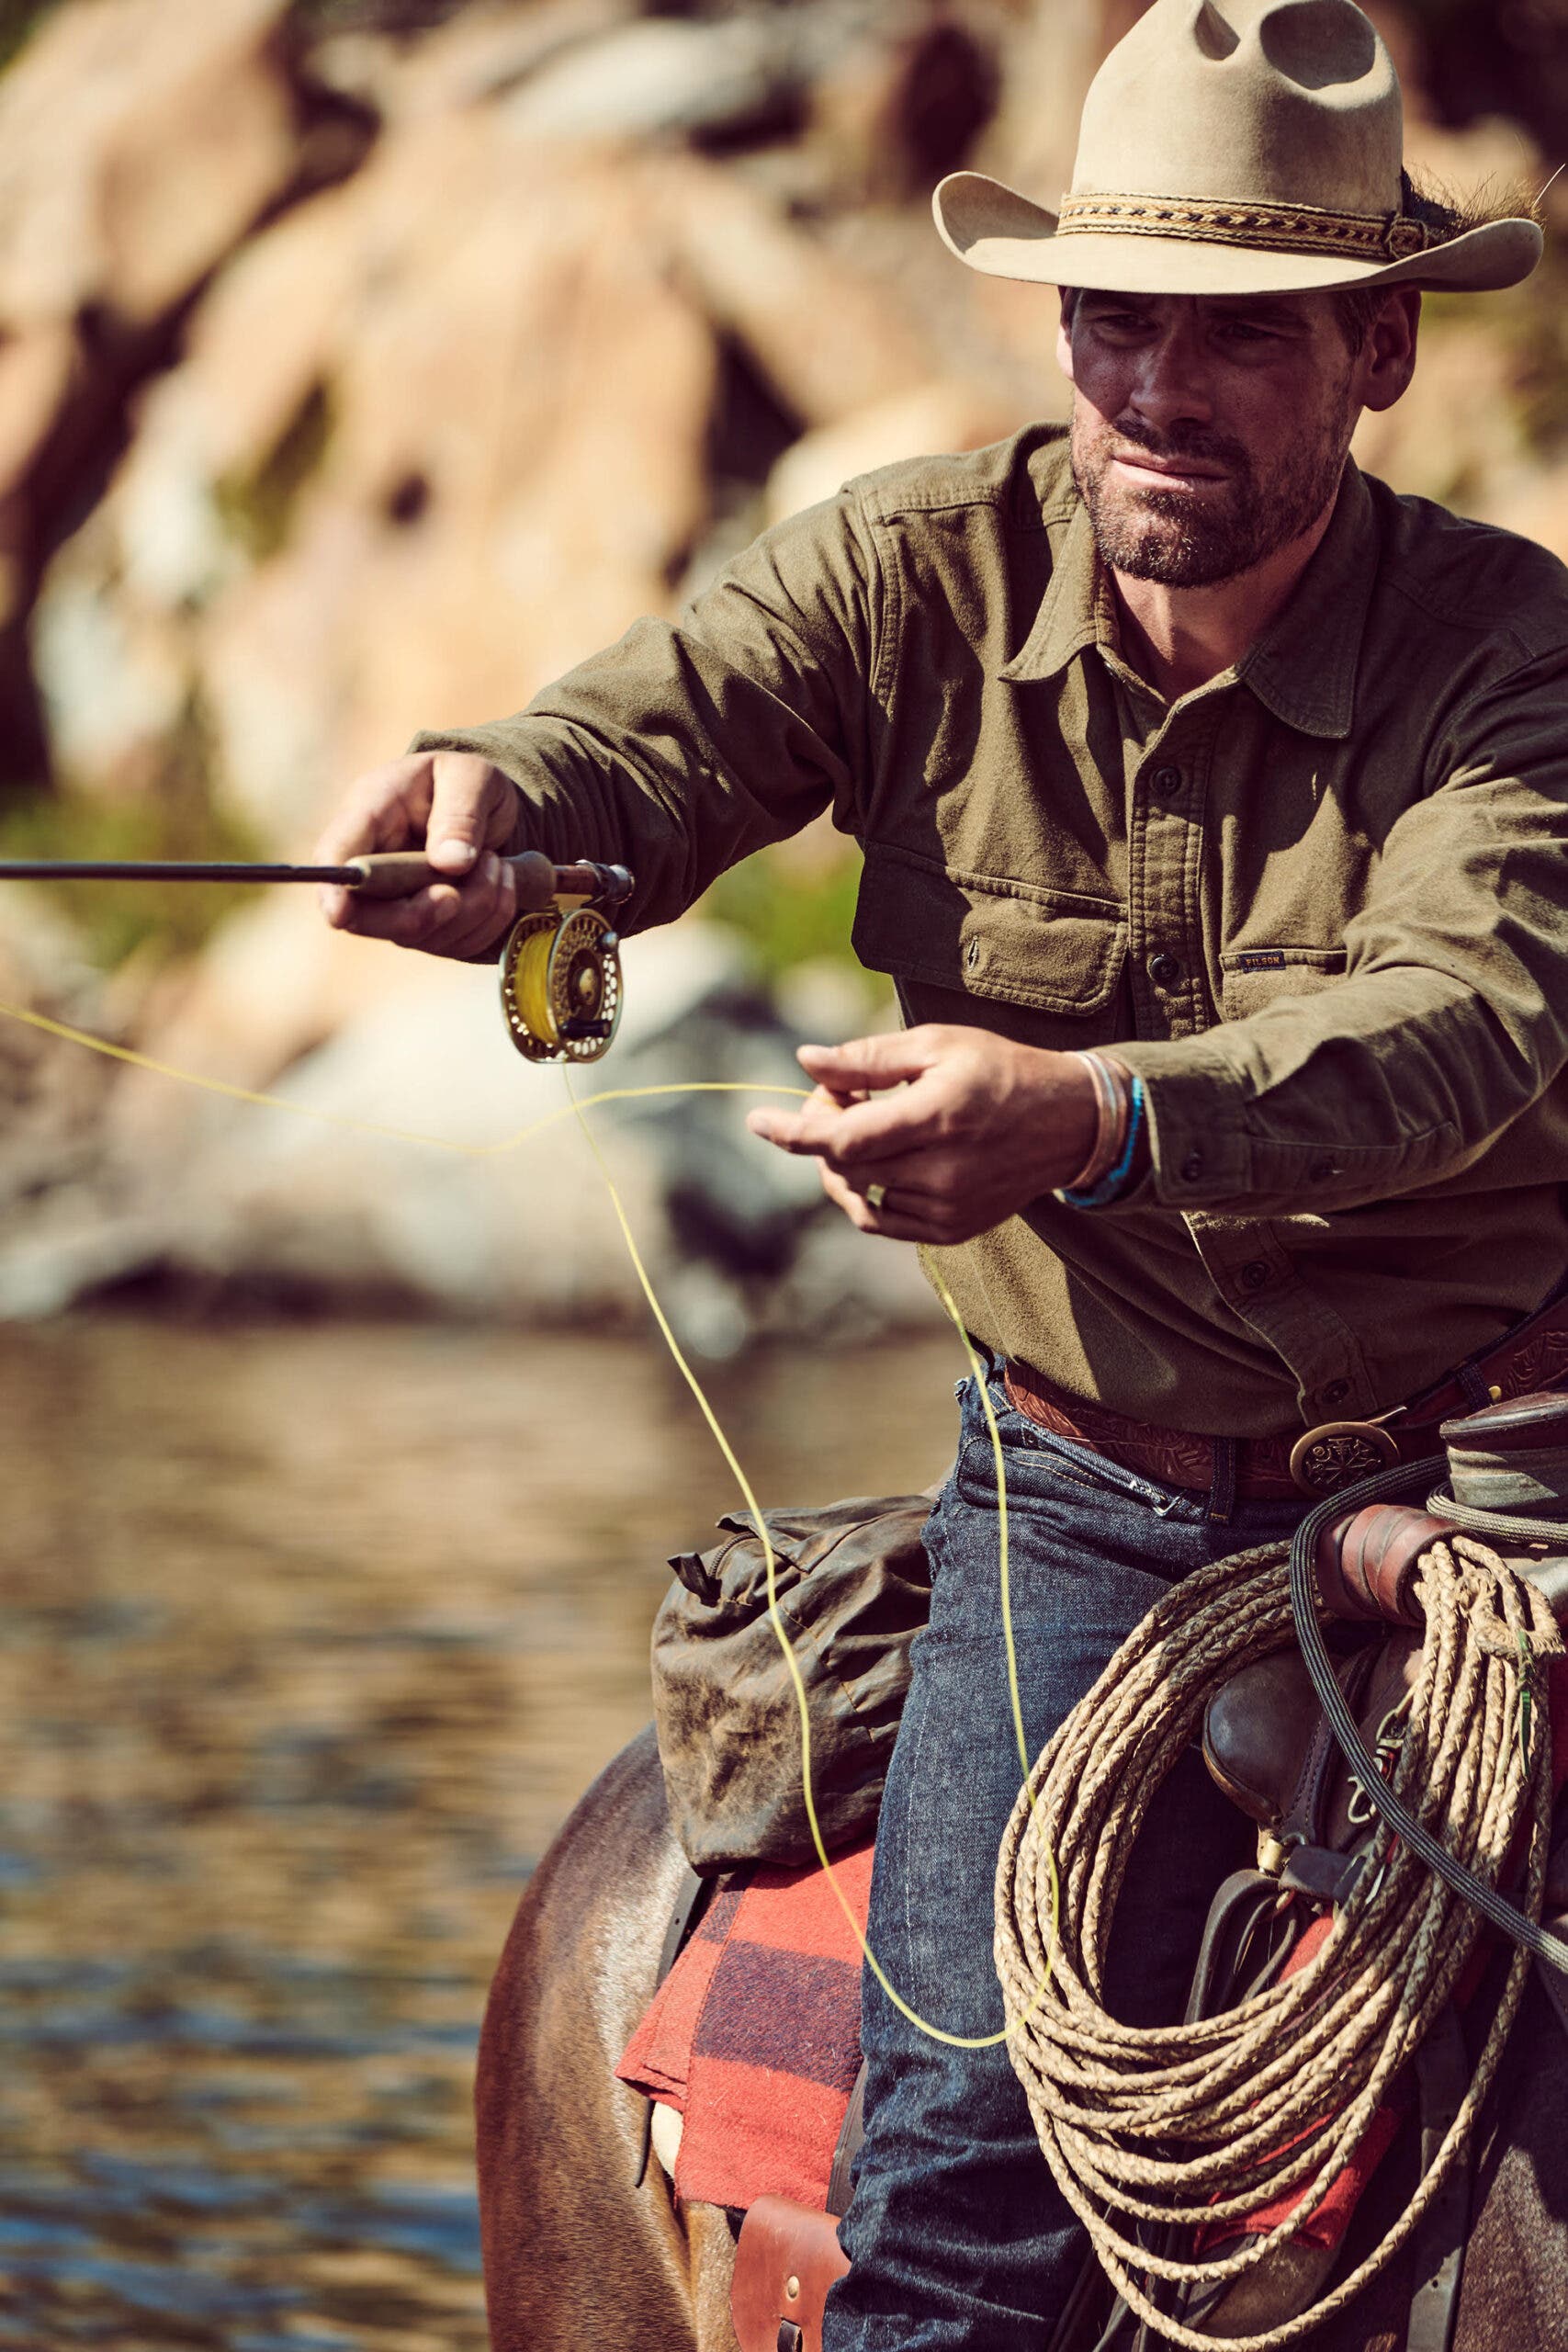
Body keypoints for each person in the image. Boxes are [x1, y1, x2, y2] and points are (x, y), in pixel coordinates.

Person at [314, 1, 1565, 2341]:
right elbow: (665, 730)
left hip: (1505, 1473)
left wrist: (1087, 1116)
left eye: (1239, 333)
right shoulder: (911, 573)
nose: (1156, 387)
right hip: (1084, 1501)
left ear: (1377, 350)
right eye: (1114, 318)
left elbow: (1464, 1021)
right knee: (961, 2204)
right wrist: (507, 801)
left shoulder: (1518, 666)